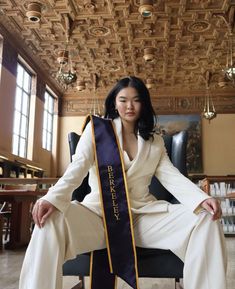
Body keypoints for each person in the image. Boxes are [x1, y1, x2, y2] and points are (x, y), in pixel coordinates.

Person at [19, 76, 227, 289]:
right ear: (114, 104)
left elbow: (172, 177)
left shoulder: (154, 142)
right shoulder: (96, 131)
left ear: (143, 103)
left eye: (136, 100)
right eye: (123, 100)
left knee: (206, 219)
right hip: (97, 217)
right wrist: (52, 198)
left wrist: (202, 199)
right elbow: (76, 169)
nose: (129, 106)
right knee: (50, 219)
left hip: (143, 219)